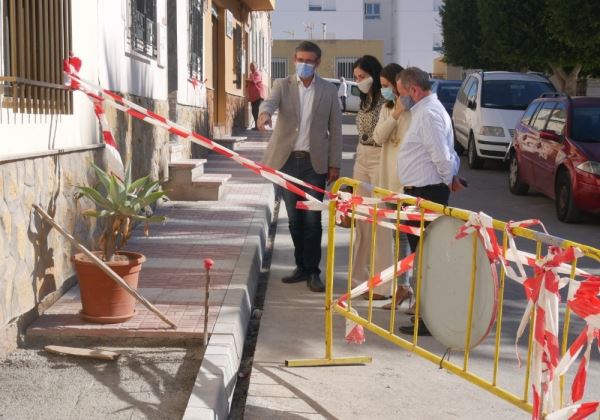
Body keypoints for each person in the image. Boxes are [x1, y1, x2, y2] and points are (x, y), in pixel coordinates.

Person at [257, 41, 342, 292]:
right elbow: (269, 103)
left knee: (313, 220)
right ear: (294, 60)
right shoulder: (282, 85)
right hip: (287, 163)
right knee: (294, 220)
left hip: (314, 165)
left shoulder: (328, 90)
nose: (303, 64)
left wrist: (334, 164)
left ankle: (313, 271)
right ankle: (301, 267)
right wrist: (264, 115)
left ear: (317, 63)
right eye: (300, 59)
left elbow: (335, 130)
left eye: (309, 60)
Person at [394, 66, 465, 335]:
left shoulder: (429, 114)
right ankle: (425, 315)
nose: (400, 99)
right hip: (420, 191)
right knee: (424, 256)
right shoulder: (424, 111)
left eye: (401, 93)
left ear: (413, 90)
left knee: (427, 258)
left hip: (427, 193)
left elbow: (442, 155)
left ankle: (429, 318)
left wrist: (450, 179)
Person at [350, 55, 393, 299]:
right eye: (356, 78)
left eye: (363, 77)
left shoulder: (386, 101)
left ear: (375, 76)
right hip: (362, 156)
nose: (359, 81)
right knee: (362, 222)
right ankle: (360, 280)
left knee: (381, 224)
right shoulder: (364, 99)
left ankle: (383, 285)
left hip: (380, 158)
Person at [372, 63, 413, 310]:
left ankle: (407, 288)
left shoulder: (417, 110)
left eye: (387, 86)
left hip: (408, 183)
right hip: (389, 180)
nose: (384, 91)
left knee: (410, 237)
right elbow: (378, 137)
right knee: (399, 238)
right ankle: (402, 288)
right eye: (383, 87)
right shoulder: (388, 109)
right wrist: (395, 113)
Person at [246, 62, 267, 130]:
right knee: (254, 111)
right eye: (251, 66)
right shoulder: (251, 74)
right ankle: (257, 126)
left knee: (257, 111)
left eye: (253, 66)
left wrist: (247, 81)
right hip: (253, 96)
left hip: (258, 95)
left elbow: (254, 81)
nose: (251, 67)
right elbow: (250, 83)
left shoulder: (258, 73)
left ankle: (259, 126)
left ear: (256, 67)